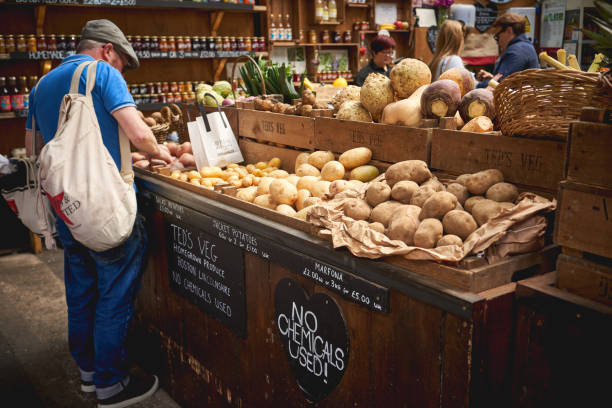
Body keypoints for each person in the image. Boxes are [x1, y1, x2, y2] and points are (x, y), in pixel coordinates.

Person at [25, 19, 171, 408]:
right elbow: (139, 134)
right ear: (108, 50)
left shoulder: (40, 86)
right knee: (115, 293)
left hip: (67, 210)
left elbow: (34, 150)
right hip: (104, 207)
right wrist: (163, 153)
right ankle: (111, 385)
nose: (120, 69)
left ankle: (88, 374)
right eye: (123, 61)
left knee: (81, 290)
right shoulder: (102, 72)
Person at [476, 12, 539, 88]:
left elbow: (501, 85)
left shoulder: (516, 51)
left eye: (497, 37)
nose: (497, 42)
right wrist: (491, 77)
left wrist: (475, 85)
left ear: (509, 31)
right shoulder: (525, 46)